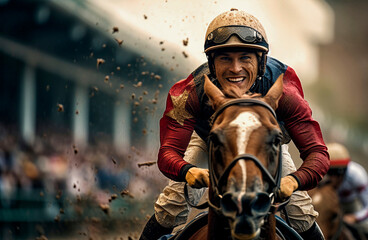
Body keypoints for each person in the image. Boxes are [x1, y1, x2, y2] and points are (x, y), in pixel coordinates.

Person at [140, 9, 329, 240]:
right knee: (171, 205)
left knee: (301, 214)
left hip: (265, 143)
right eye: (225, 58)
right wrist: (187, 171)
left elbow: (318, 153)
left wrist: (293, 180)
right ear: (212, 63)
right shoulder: (190, 93)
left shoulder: (286, 92)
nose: (236, 68)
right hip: (211, 139)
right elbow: (168, 152)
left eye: (245, 58)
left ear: (261, 62)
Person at [326, 142, 368, 240]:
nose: (333, 179)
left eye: (337, 173)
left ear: (346, 169)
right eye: (329, 172)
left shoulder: (357, 175)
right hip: (327, 203)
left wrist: (354, 218)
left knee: (367, 227)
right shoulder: (319, 173)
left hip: (350, 205)